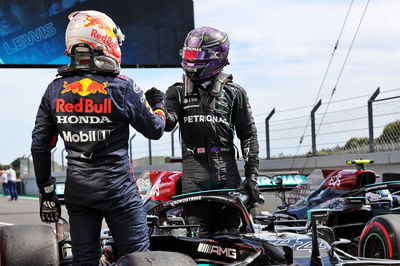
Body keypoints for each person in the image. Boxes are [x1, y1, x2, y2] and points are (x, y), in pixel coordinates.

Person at [31, 10, 166, 265]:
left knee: (85, 261)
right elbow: (156, 129)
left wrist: (47, 191)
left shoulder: (54, 89)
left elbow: (40, 146)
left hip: (78, 191)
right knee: (137, 258)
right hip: (119, 192)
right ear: (104, 40)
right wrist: (158, 106)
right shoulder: (123, 86)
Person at [145, 26, 262, 236]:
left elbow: (248, 135)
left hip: (228, 178)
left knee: (236, 241)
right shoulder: (177, 91)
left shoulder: (235, 92)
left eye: (197, 56)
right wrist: (157, 106)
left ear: (217, 57)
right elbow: (168, 124)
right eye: (188, 55)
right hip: (194, 180)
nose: (191, 62)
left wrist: (252, 177)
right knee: (198, 243)